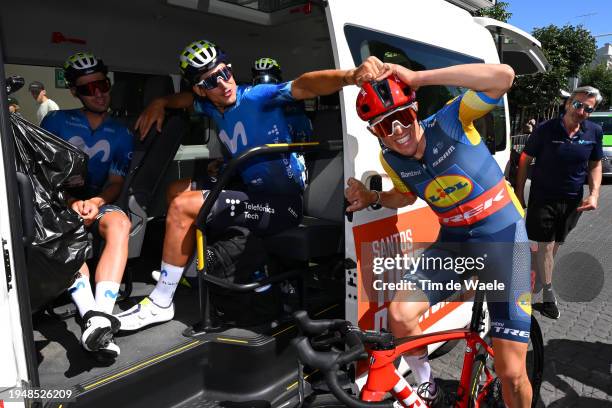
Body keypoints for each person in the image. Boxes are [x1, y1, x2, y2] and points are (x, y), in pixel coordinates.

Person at [116, 39, 368, 331]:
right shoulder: (212, 107)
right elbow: (185, 100)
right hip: (251, 190)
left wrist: (350, 76)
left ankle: (161, 301)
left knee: (184, 206)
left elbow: (305, 85)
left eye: (226, 73)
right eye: (211, 81)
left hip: (283, 205)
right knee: (175, 191)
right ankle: (186, 268)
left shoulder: (257, 96)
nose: (224, 84)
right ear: (201, 90)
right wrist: (160, 101)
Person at [345, 58, 532, 407]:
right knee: (400, 315)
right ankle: (429, 387)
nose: (398, 130)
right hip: (455, 245)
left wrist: (419, 76)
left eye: (403, 116)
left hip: (503, 238)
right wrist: (373, 196)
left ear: (415, 109)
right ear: (375, 132)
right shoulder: (391, 159)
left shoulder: (451, 120)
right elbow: (406, 194)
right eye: (385, 126)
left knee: (511, 371)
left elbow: (504, 77)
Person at [41, 52, 133, 360]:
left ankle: (98, 317)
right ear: (74, 92)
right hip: (60, 203)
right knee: (70, 228)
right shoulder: (55, 121)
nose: (98, 93)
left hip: (99, 202)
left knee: (120, 223)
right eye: (87, 88)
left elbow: (116, 182)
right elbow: (42, 174)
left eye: (102, 85)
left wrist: (95, 202)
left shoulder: (121, 132)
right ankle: (93, 318)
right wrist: (71, 202)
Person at [515, 86, 603, 320]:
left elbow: (595, 164)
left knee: (555, 244)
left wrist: (594, 194)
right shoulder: (545, 129)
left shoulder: (594, 131)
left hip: (573, 200)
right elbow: (525, 159)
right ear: (568, 104)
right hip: (543, 197)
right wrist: (518, 191)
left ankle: (540, 269)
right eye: (578, 104)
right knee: (546, 245)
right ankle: (548, 296)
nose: (581, 111)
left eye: (588, 108)